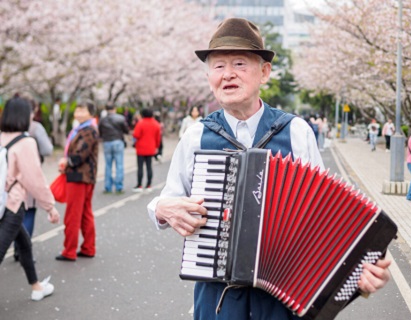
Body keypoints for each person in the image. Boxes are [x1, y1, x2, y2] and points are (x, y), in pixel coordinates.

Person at [146, 18, 391, 320]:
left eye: (239, 63)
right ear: (208, 75)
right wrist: (161, 207)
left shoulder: (296, 132)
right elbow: (168, 200)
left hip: (283, 299)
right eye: (218, 66)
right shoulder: (196, 135)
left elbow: (325, 217)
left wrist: (359, 277)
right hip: (217, 300)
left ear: (264, 72)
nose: (228, 74)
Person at [0, 96, 60, 301]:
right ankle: (36, 288)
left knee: (24, 243)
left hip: (1, 200)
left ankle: (36, 287)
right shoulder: (26, 142)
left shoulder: (1, 137)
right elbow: (34, 179)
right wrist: (50, 207)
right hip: (12, 204)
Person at [56, 101, 99, 261]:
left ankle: (69, 251)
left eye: (82, 110)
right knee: (85, 214)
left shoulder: (87, 130)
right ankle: (88, 248)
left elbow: (80, 154)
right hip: (86, 176)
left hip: (79, 176)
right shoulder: (85, 128)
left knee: (73, 215)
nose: (78, 113)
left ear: (90, 113)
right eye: (77, 110)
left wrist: (67, 162)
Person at [14, 99, 54, 261]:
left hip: (9, 180)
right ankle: (22, 250)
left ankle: (15, 246)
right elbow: (47, 149)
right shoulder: (35, 128)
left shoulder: (5, 129)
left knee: (13, 213)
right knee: (29, 212)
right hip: (28, 176)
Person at [98, 102, 129, 194]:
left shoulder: (102, 120)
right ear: (114, 108)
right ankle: (119, 186)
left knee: (108, 165)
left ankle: (108, 187)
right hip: (118, 141)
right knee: (119, 165)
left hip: (107, 142)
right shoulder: (120, 118)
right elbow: (126, 130)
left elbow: (99, 132)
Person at [132, 108, 161, 192]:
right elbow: (158, 138)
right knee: (149, 167)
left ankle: (139, 185)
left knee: (140, 167)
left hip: (141, 148)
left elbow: (136, 135)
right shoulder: (156, 124)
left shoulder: (140, 123)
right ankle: (148, 185)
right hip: (151, 148)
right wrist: (156, 147)